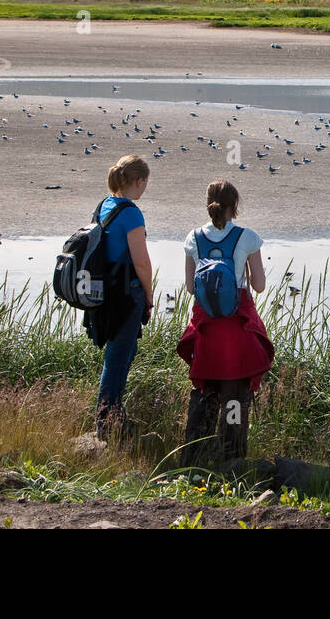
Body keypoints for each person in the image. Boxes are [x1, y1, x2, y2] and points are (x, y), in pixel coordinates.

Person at [176, 179, 273, 465]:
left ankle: (194, 459)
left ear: (208, 205)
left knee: (205, 389)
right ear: (235, 206)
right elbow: (259, 285)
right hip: (237, 324)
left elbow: (191, 288)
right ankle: (232, 460)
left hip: (207, 326)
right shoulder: (247, 237)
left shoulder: (193, 238)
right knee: (235, 393)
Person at [92, 154, 154, 442]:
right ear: (138, 181)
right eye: (145, 184)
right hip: (127, 294)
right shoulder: (131, 213)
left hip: (106, 293)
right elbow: (141, 261)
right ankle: (107, 422)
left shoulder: (104, 205)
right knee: (118, 357)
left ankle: (112, 413)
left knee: (120, 354)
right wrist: (150, 297)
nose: (145, 190)